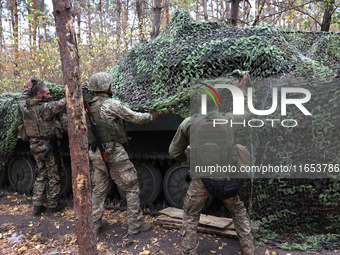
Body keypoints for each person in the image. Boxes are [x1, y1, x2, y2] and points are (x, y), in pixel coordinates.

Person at [169, 74, 255, 255]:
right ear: (216, 102)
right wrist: (240, 93)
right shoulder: (230, 119)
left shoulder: (188, 123)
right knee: (238, 210)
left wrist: (192, 161)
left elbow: (174, 152)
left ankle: (188, 251)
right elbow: (247, 113)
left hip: (200, 179)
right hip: (226, 177)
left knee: (191, 215)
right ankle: (248, 249)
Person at [85, 72, 163, 236]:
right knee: (132, 186)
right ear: (105, 87)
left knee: (99, 191)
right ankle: (135, 224)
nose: (112, 86)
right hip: (113, 153)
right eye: (110, 84)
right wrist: (154, 116)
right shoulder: (111, 104)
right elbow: (135, 118)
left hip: (95, 153)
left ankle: (94, 225)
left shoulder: (87, 106)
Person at [19, 78, 66, 215]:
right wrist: (76, 90)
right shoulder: (46, 108)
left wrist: (28, 88)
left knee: (41, 176)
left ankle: (37, 206)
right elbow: (63, 103)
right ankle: (52, 206)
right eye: (47, 93)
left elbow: (22, 99)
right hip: (48, 149)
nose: (50, 96)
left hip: (34, 148)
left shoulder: (25, 108)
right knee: (54, 176)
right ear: (39, 95)